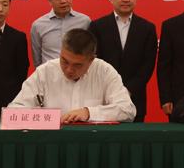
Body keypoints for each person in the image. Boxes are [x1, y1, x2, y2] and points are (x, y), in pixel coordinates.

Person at [8, 28, 136, 123]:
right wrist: (38, 115)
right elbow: (13, 111)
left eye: (77, 65)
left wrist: (89, 113)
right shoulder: (45, 72)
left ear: (91, 60)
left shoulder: (105, 71)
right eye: (64, 61)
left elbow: (128, 110)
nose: (69, 69)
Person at [89, 0, 158, 122]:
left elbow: (148, 64)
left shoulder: (147, 28)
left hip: (135, 98)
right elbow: (96, 60)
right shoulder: (97, 26)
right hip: (104, 97)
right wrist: (112, 90)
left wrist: (128, 90)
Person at [30, 0, 90, 68]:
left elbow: (89, 52)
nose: (63, 1)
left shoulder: (85, 21)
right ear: (49, 0)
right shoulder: (38, 25)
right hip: (49, 75)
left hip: (78, 74)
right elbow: (37, 60)